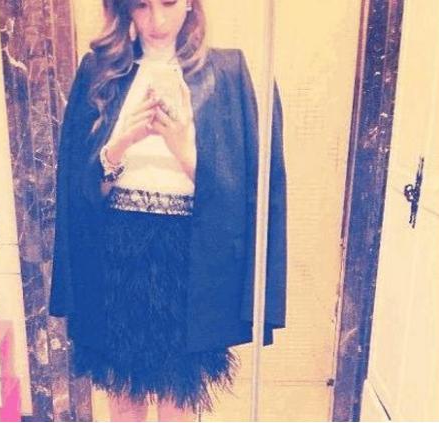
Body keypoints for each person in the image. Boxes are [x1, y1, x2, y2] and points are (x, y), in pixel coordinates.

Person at [49, 0, 287, 421]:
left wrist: (184, 150)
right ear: (125, 9)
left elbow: (243, 193)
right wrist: (117, 146)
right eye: (141, 6)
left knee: (178, 402)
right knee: (125, 398)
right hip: (117, 256)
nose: (157, 20)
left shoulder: (227, 74)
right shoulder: (99, 73)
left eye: (169, 2)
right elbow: (78, 194)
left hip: (188, 259)